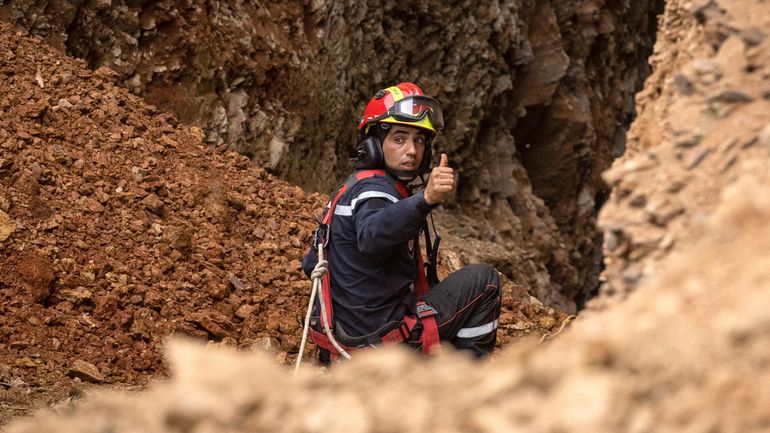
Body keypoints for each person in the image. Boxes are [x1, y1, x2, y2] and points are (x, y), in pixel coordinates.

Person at [302, 82, 501, 361]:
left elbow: (310, 263)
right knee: (485, 280)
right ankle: (464, 379)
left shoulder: (354, 187)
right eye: (399, 139)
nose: (411, 150)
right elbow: (372, 236)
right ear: (374, 144)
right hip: (384, 347)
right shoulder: (375, 192)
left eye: (419, 140)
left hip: (344, 345)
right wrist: (425, 199)